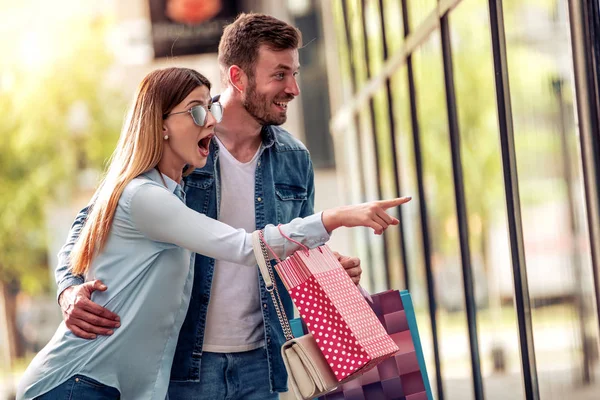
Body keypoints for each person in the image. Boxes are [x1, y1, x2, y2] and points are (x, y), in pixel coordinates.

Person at [17, 67, 410, 400]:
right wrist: (335, 217)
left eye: (211, 107)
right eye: (196, 110)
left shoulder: (173, 191)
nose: (211, 120)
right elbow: (243, 246)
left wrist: (324, 261)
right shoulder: (145, 197)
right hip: (77, 383)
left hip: (116, 386)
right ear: (161, 125)